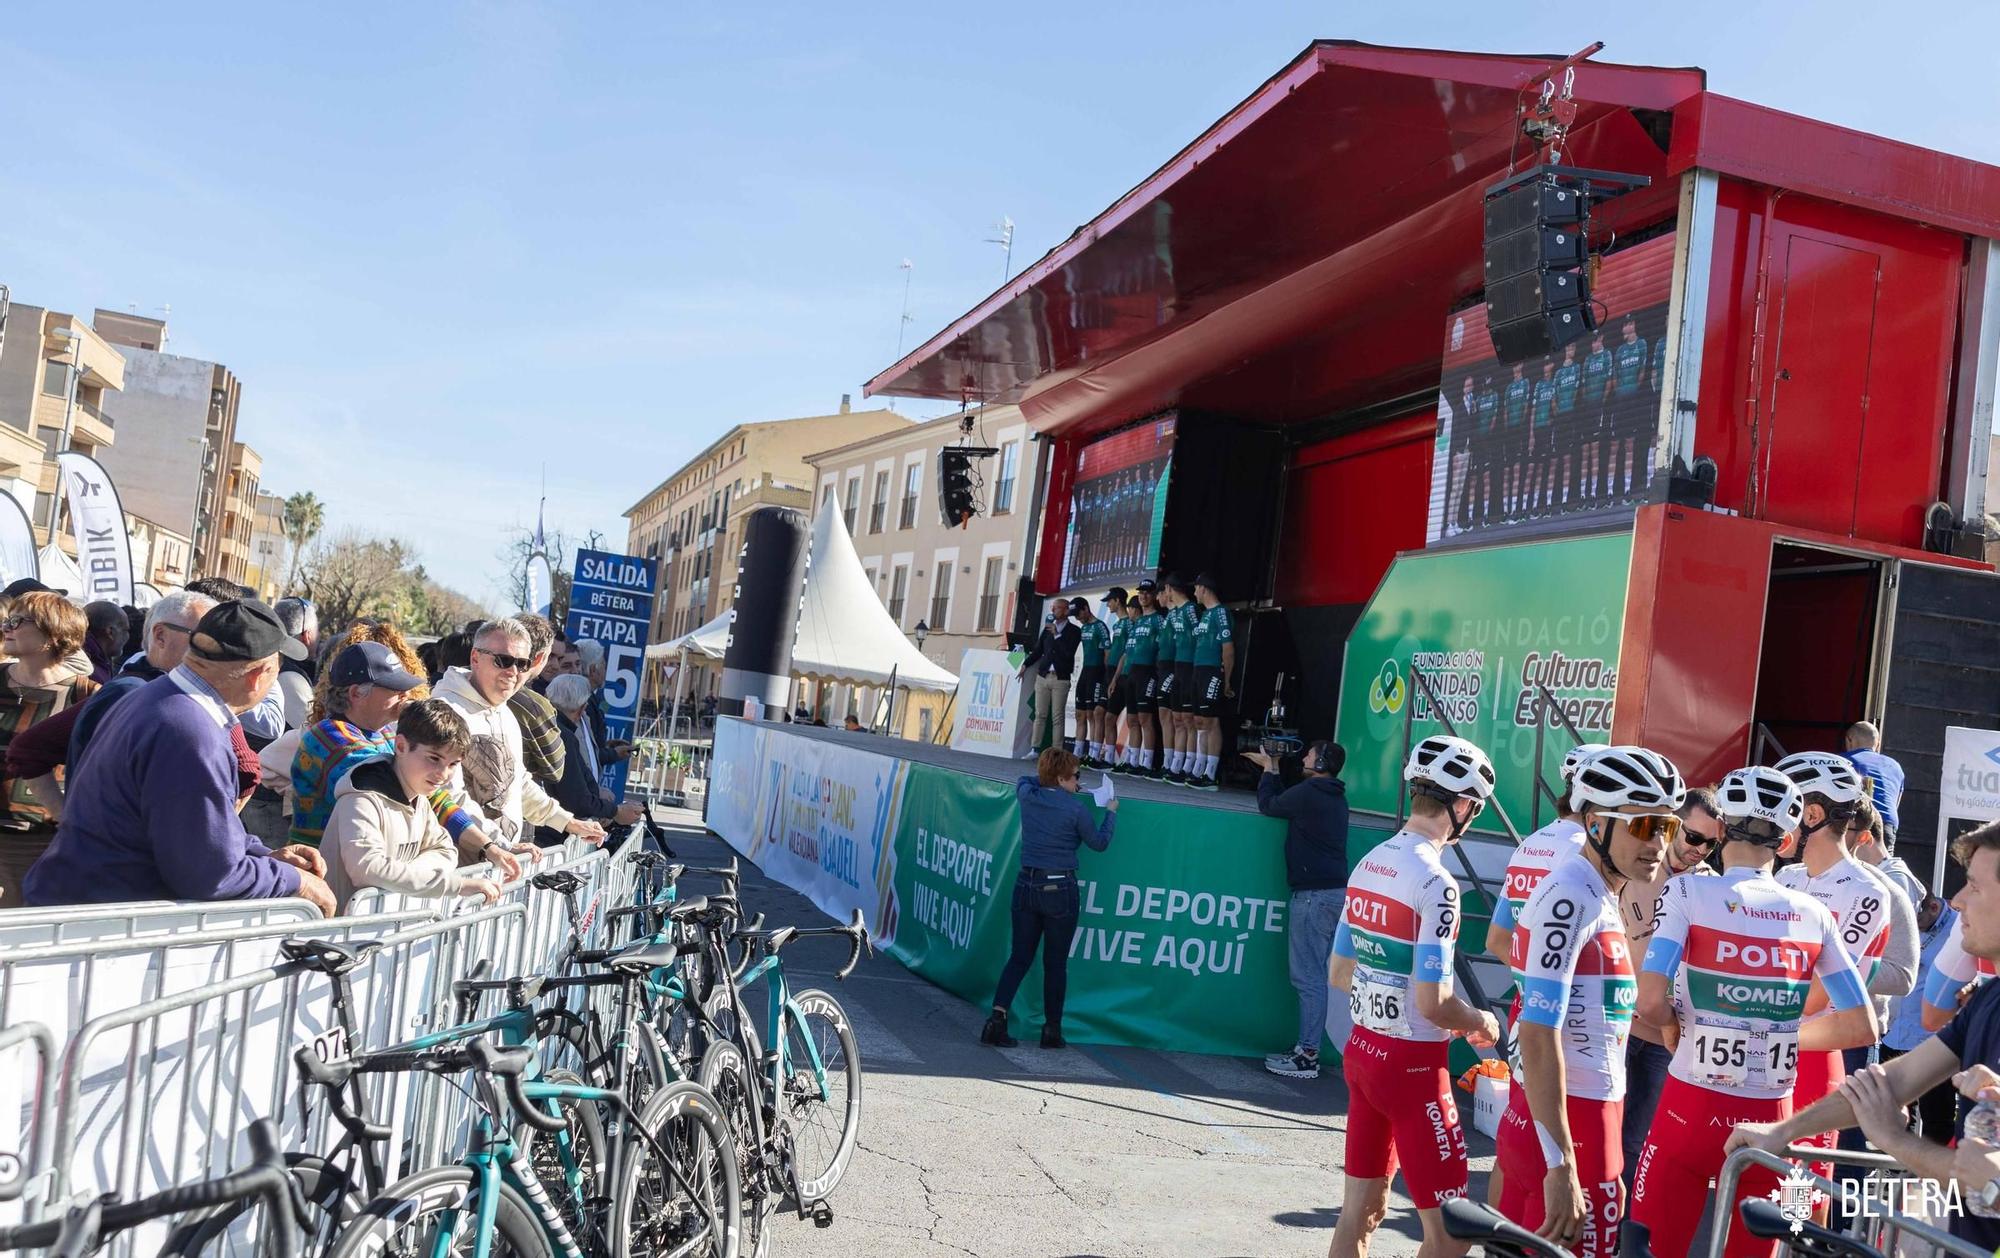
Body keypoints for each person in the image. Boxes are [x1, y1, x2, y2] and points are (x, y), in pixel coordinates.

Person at [1628, 765, 1879, 1258]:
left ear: (1721, 829)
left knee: (1651, 1248)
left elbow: (1651, 1000)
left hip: (1687, 1108)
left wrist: (1676, 1025)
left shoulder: (1688, 891)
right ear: (1786, 840)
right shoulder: (1814, 913)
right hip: (1770, 1118)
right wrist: (1775, 1035)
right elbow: (1860, 1025)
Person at [1727, 818, 2000, 1257]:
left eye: (1974, 887)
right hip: (1807, 1077)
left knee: (1810, 1199)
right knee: (1800, 1183)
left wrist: (1896, 1139)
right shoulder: (1988, 1000)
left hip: (1829, 1055)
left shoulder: (1874, 888)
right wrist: (1781, 1130)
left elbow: (1986, 1180)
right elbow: (1893, 1081)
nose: (1957, 901)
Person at [21, 600, 335, 914]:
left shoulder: (160, 697)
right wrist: (296, 881)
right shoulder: (190, 730)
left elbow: (198, 838)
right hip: (98, 929)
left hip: (85, 911)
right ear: (258, 676)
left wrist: (266, 857)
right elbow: (210, 875)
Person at [1498, 747, 1685, 1258]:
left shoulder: (1594, 892)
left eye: (1668, 829)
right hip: (1571, 1125)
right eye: (1644, 827)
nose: (1659, 845)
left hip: (1572, 1122)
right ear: (1597, 823)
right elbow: (1537, 1032)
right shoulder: (1572, 895)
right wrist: (1564, 1165)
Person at [1328, 734, 1499, 1258]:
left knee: (1361, 1211)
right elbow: (1432, 1002)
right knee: (1452, 1233)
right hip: (1414, 1069)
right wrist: (1480, 1021)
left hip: (1363, 1053)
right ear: (1463, 805)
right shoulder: (1437, 882)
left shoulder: (1369, 863)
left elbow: (1339, 972)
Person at [1769, 750, 1910, 1192]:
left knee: (1799, 1200)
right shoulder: (1786, 878)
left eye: (1784, 809)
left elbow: (1818, 996)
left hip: (1815, 1058)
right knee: (1757, 1189)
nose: (1775, 823)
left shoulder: (1867, 890)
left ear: (1811, 814)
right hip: (1769, 1052)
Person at [1614, 785, 1723, 1189]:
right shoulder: (1636, 863)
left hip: (1668, 1038)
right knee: (1598, 1127)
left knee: (1636, 1141)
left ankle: (1619, 1237)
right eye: (1693, 837)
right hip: (1619, 1024)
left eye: (1710, 844)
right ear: (1674, 824)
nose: (1699, 849)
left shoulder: (1712, 886)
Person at [980, 746, 1116, 1050]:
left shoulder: (1029, 796)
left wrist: (1049, 779)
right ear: (1063, 778)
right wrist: (1110, 814)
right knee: (1055, 963)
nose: (1078, 782)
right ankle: (1051, 1029)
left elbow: (1024, 780)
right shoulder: (1076, 809)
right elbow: (1099, 843)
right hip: (1060, 888)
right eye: (1076, 776)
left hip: (1026, 883)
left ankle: (997, 1019)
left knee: (1019, 957)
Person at [434, 618, 605, 849]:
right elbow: (447, 795)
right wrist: (495, 846)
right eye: (503, 661)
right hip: (457, 862)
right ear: (475, 658)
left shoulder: (505, 713)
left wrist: (567, 822)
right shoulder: (444, 711)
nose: (513, 672)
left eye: (522, 664)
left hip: (495, 864)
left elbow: (518, 782)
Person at [324, 698, 500, 911]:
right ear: (400, 746)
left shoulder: (419, 798)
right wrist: (455, 885)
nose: (443, 774)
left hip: (379, 929)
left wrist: (404, 876)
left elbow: (446, 850)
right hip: (338, 934)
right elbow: (366, 869)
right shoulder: (361, 799)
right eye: (434, 758)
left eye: (453, 764)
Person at [1246, 739, 1349, 1080]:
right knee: (1313, 976)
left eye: (1309, 754)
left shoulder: (1311, 792)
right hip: (1328, 893)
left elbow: (1270, 805)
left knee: (1308, 978)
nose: (1303, 756)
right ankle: (1307, 1050)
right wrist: (1272, 768)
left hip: (1314, 896)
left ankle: (1307, 1055)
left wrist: (1268, 769)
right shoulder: (1333, 794)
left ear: (1320, 763)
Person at [0, 593, 99, 906]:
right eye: (7, 619)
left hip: (44, 843)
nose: (7, 626)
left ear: (54, 632)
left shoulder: (88, 696)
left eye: (18, 621)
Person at [1881, 891, 1960, 1144]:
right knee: (1894, 1111)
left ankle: (1930, 1174)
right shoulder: (1900, 921)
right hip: (1895, 1032)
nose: (1910, 928)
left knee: (1937, 1115)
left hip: (1933, 1038)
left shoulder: (1959, 929)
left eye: (1916, 920)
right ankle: (1893, 1168)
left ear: (1934, 907)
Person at [542, 673, 641, 845]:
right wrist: (615, 811)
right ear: (582, 709)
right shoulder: (562, 735)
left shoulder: (548, 727)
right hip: (551, 834)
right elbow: (577, 798)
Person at [1185, 573, 1234, 792]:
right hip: (1198, 670)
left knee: (1211, 722)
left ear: (1203, 588)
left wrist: (1227, 679)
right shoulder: (1205, 614)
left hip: (1212, 670)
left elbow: (1228, 648)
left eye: (1195, 588)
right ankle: (1199, 768)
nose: (1194, 593)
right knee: (1199, 721)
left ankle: (1211, 774)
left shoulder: (1220, 612)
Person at [506, 614, 565, 789]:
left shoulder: (462, 677)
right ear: (541, 657)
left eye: (560, 659)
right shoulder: (534, 706)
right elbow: (555, 770)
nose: (555, 665)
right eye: (551, 656)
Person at [1109, 582, 1161, 777]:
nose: (1144, 596)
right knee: (1132, 719)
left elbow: (1162, 648)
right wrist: (1115, 678)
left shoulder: (1159, 620)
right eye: (1141, 593)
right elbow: (1126, 653)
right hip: (1131, 674)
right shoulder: (1136, 623)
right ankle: (1132, 760)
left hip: (1148, 672)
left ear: (1153, 596)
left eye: (1147, 593)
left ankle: (1147, 764)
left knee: (1145, 719)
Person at [1016, 598, 1080, 756]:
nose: (1053, 611)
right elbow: (1038, 651)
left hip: (1061, 678)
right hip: (1043, 676)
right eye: (1052, 608)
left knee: (1057, 716)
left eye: (1056, 608)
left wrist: (1057, 635)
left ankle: (1057, 751)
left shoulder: (1074, 631)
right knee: (1040, 714)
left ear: (1066, 611)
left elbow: (1068, 653)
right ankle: (1035, 749)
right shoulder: (1047, 630)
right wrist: (1025, 664)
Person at [1843, 720, 1906, 844]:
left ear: (1849, 740)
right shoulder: (1895, 766)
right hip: (1887, 825)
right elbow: (1895, 803)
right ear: (1877, 744)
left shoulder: (1843, 761)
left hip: (1858, 822)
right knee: (1881, 862)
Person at [1068, 597, 1109, 768]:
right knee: (1080, 714)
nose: (1077, 618)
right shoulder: (1083, 627)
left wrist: (1106, 676)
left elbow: (1107, 651)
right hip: (1085, 671)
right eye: (1074, 615)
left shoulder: (1100, 626)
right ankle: (1077, 753)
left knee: (1094, 715)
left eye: (1078, 613)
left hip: (1098, 672)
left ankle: (1094, 753)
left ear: (1086, 608)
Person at [272, 597, 319, 729]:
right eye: (317, 630)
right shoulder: (290, 677)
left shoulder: (271, 661)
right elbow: (314, 733)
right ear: (307, 636)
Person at [1097, 588, 1130, 769]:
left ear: (1118, 601)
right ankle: (1106, 756)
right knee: (1103, 715)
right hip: (1110, 671)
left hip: (1121, 674)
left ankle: (1113, 758)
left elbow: (1126, 653)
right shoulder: (1117, 625)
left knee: (1112, 716)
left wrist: (1116, 676)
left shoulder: (1129, 624)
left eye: (1110, 601)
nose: (1108, 604)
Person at [81, 601, 129, 685]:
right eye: (126, 630)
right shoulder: (89, 672)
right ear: (110, 632)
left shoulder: (98, 662)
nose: (127, 636)